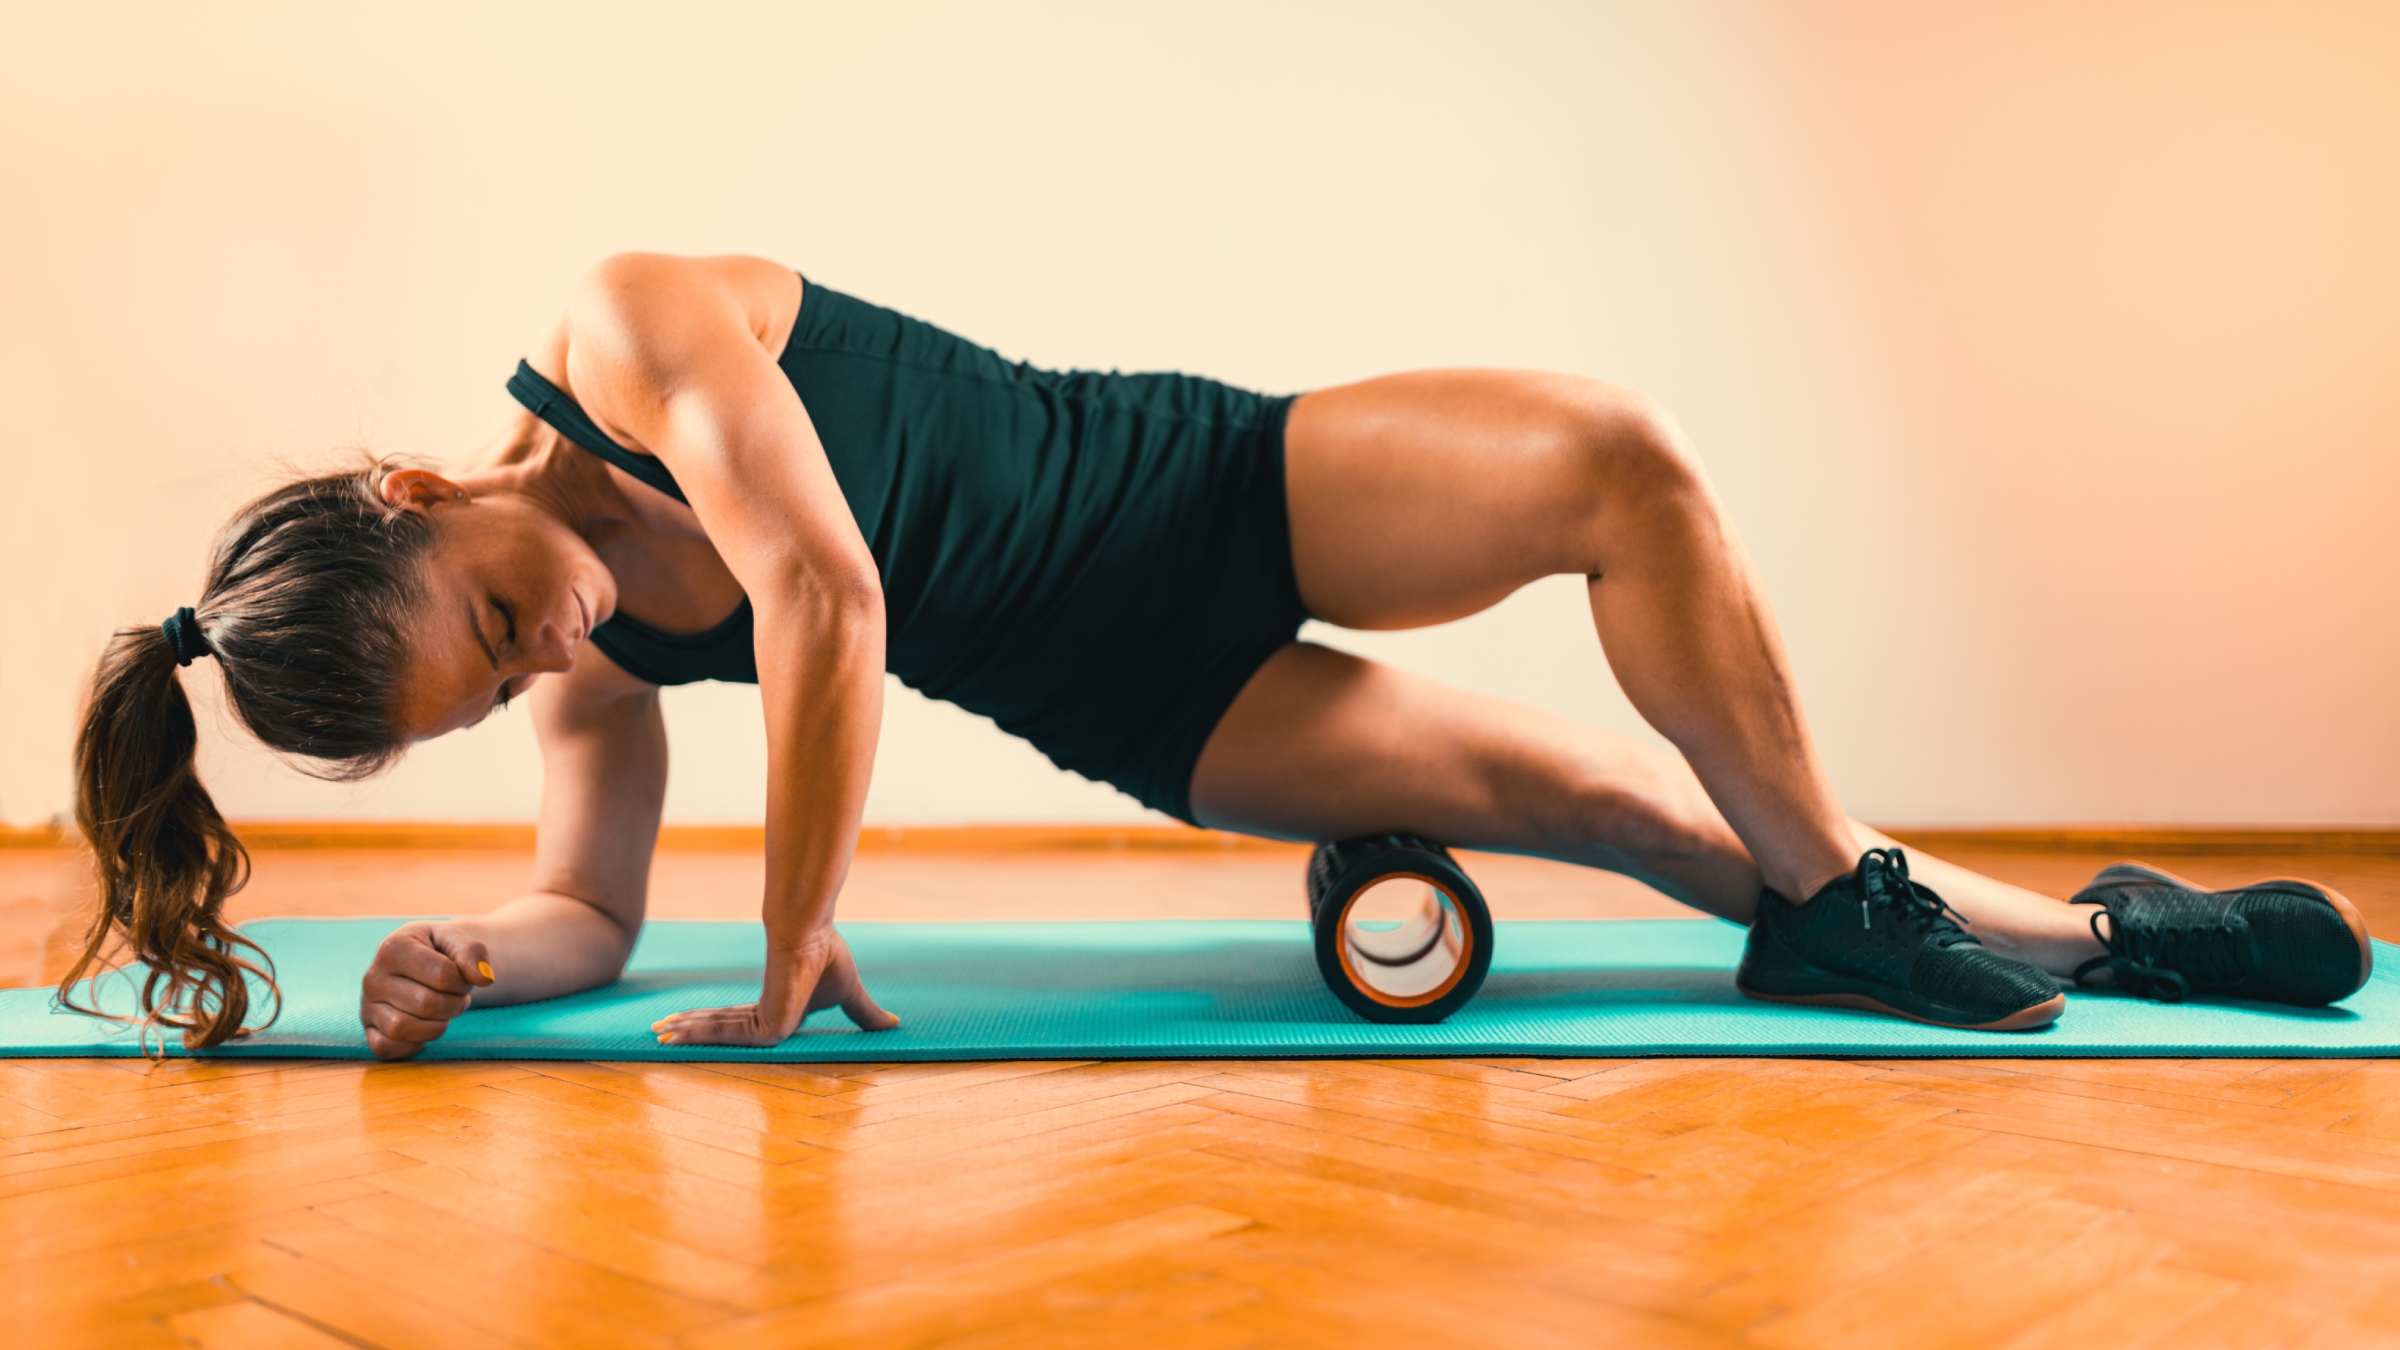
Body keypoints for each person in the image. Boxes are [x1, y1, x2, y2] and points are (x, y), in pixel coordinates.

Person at [68, 254, 2372, 1057]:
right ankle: (2079, 935)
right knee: (1629, 817)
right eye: (494, 692)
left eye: (489, 622)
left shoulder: (624, 324)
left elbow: (835, 594)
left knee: (1620, 460)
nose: (540, 652)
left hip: (1197, 484)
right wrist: (473, 941)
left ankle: (1888, 907)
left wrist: (798, 940)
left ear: (414, 490)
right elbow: (590, 907)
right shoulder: (590, 661)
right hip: (1142, 694)